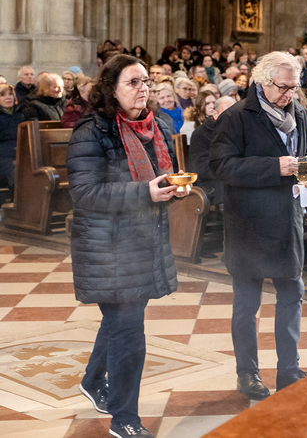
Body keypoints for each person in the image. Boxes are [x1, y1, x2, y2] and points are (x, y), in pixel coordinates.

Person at [67, 54, 179, 438]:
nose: (143, 88)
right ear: (111, 89)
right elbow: (84, 192)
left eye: (146, 80)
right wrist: (145, 192)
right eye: (133, 82)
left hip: (144, 241)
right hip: (107, 246)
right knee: (128, 332)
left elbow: (162, 176)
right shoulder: (91, 131)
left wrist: (171, 188)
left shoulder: (156, 125)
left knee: (119, 321)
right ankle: (124, 418)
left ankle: (92, 380)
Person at [209, 51, 307, 401]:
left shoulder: (299, 113)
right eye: (283, 87)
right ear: (262, 82)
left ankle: (289, 369)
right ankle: (248, 374)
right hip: (250, 224)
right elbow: (221, 166)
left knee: (292, 294)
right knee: (247, 304)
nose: (290, 94)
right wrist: (276, 167)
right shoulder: (237, 117)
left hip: (288, 220)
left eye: (294, 87)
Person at [188, 95, 236, 207]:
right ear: (215, 114)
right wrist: (232, 171)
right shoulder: (201, 134)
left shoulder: (240, 129)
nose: (233, 118)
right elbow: (201, 168)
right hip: (213, 182)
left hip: (235, 177)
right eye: (227, 114)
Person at [0, 84, 25, 193]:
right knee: (16, 169)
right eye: (3, 95)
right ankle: (19, 199)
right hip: (4, 156)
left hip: (21, 153)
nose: (8, 98)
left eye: (10, 94)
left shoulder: (21, 114)